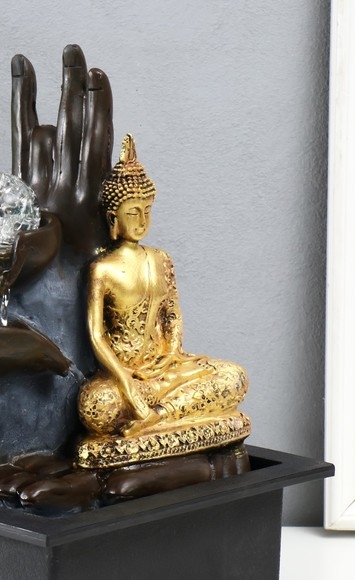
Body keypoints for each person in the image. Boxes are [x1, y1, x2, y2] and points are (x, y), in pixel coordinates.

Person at [77, 134, 249, 453]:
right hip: (124, 377)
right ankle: (164, 414)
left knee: (233, 377)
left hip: (167, 371)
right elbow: (96, 335)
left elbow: (172, 316)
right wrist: (125, 381)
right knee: (95, 407)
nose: (142, 221)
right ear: (113, 218)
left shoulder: (161, 259)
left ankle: (157, 417)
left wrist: (170, 355)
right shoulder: (102, 269)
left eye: (147, 211)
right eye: (133, 213)